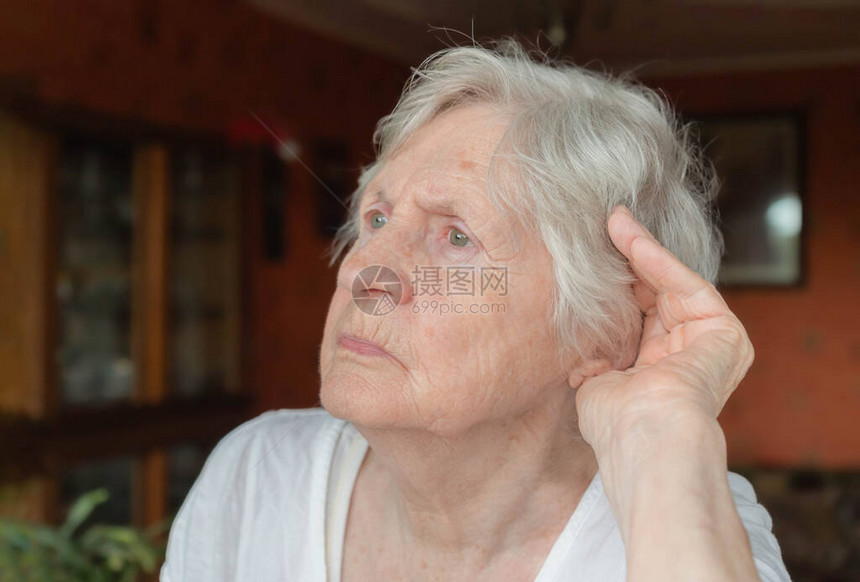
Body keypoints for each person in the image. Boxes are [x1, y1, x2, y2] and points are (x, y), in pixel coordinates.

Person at [160, 40, 791, 581]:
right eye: (375, 218)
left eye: (456, 236)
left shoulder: (684, 516)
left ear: (601, 328)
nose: (361, 270)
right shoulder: (260, 475)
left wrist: (660, 432)